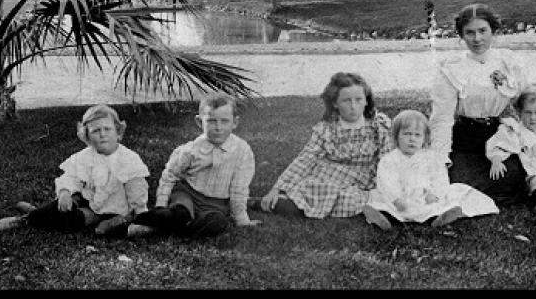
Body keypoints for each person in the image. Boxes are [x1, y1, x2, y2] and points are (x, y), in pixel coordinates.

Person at [428, 3, 536, 207]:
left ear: (493, 31)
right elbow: (442, 120)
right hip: (464, 138)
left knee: (514, 174)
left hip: (498, 136)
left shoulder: (507, 61)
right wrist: (439, 161)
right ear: (461, 36)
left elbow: (526, 98)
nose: (477, 39)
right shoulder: (451, 68)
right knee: (459, 180)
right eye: (469, 32)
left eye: (483, 31)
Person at [249, 71, 393, 218]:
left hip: (365, 181)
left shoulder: (378, 126)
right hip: (330, 178)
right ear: (335, 103)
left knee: (373, 196)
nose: (353, 106)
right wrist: (277, 188)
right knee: (306, 199)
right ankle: (261, 203)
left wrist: (389, 187)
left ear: (366, 100)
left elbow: (388, 160)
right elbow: (305, 159)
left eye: (358, 100)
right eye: (346, 101)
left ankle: (369, 206)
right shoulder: (327, 129)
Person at [0, 104, 150, 235]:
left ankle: (39, 213)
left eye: (107, 129)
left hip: (114, 209)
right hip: (88, 200)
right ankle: (28, 218)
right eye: (96, 131)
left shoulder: (128, 159)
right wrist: (65, 192)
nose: (103, 135)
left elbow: (137, 190)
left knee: (73, 222)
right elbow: (71, 177)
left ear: (118, 132)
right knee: (64, 206)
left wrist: (139, 212)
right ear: (87, 136)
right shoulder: (86, 156)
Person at [121, 93, 260, 239]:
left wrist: (242, 220)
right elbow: (170, 176)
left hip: (216, 205)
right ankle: (164, 218)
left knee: (217, 222)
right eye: (211, 121)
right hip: (188, 195)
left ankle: (169, 230)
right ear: (200, 122)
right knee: (179, 213)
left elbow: (239, 189)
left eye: (225, 121)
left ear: (235, 123)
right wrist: (161, 206)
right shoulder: (191, 150)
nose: (218, 127)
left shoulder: (242, 151)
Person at [362, 109, 499, 230]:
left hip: (425, 198)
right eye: (406, 134)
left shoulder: (430, 158)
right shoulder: (390, 159)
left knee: (456, 192)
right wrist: (396, 198)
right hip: (400, 200)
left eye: (417, 135)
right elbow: (387, 183)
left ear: (425, 138)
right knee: (376, 196)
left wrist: (435, 194)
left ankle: (442, 217)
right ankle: (382, 216)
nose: (412, 139)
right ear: (396, 137)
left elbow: (440, 177)